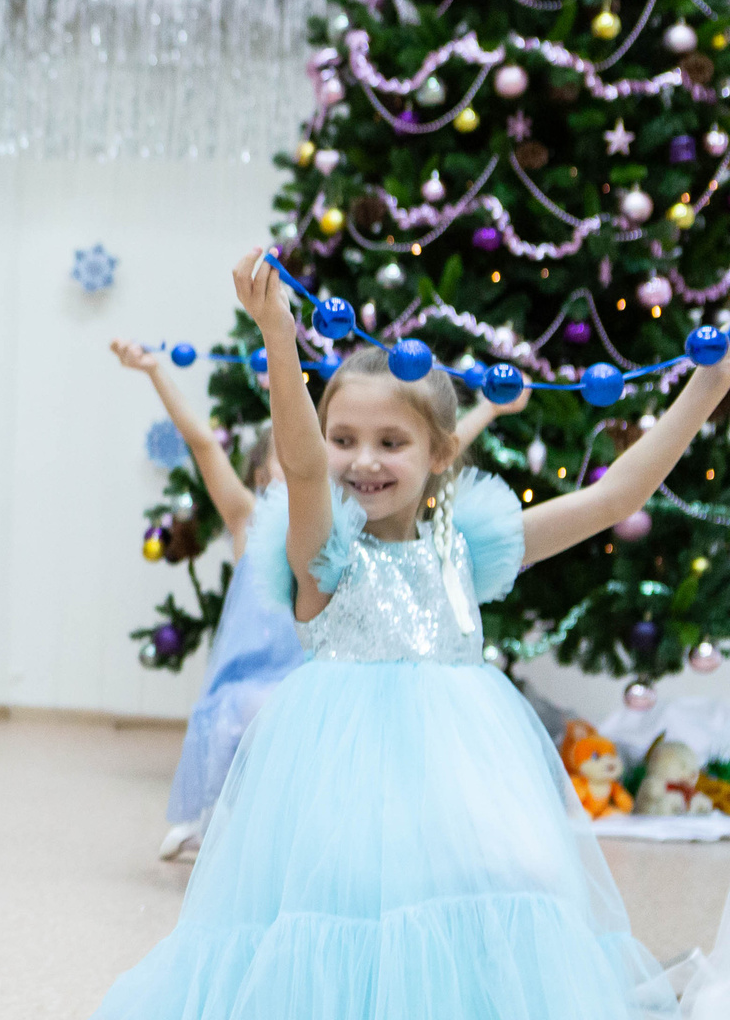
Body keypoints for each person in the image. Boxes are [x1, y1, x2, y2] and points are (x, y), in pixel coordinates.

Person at [54, 250, 708, 1020]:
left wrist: (708, 387)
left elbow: (615, 497)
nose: (364, 460)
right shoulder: (323, 549)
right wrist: (280, 337)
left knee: (497, 888)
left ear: (440, 454)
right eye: (346, 437)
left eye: (391, 442)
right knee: (369, 907)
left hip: (464, 753)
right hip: (346, 760)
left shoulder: (467, 543)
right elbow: (299, 463)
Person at [114, 339, 528, 859]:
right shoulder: (254, 520)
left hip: (316, 671)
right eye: (332, 445)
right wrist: (162, 371)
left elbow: (431, 447)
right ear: (269, 472)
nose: (360, 464)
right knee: (240, 719)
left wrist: (488, 406)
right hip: (268, 673)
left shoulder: (378, 521)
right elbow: (204, 443)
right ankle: (220, 824)